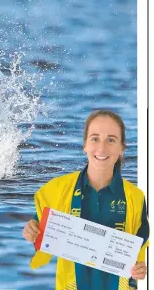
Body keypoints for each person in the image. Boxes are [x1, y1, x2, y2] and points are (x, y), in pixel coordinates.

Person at [22, 110, 149, 290]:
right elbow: (38, 233)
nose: (102, 148)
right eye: (95, 139)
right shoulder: (57, 189)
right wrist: (31, 231)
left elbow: (142, 249)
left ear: (122, 149)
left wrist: (141, 270)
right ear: (84, 145)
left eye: (111, 140)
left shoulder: (135, 197)